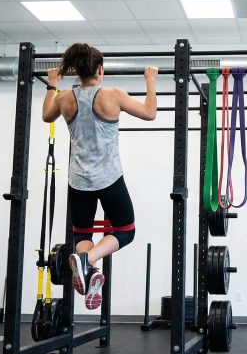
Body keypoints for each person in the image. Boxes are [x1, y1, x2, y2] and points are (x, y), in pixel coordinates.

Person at [42, 43, 158, 309]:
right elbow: (150, 113)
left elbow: (47, 116)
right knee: (126, 231)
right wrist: (150, 81)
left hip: (78, 182)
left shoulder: (64, 98)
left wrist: (52, 84)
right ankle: (88, 261)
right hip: (109, 179)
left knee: (82, 233)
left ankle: (90, 271)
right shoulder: (112, 95)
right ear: (99, 70)